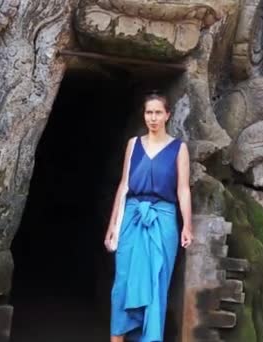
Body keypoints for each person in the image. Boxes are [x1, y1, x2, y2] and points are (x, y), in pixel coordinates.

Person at [104, 93, 193, 342]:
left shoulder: (179, 148)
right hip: (131, 217)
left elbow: (183, 189)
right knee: (122, 284)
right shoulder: (133, 144)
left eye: (157, 112)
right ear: (144, 115)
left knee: (156, 286)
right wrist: (113, 226)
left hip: (162, 220)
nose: (152, 118)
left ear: (167, 115)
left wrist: (187, 225)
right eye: (148, 112)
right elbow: (123, 186)